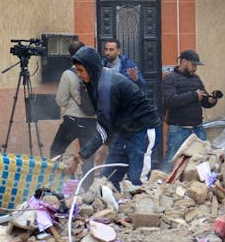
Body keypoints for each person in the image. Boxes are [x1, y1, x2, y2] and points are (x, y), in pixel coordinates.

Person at [64, 45, 160, 188]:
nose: (78, 74)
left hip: (143, 131)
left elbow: (104, 126)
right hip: (124, 133)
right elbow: (105, 119)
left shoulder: (107, 85)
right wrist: (105, 144)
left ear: (90, 68)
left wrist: (79, 157)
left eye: (80, 70)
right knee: (107, 180)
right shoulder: (94, 82)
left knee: (137, 181)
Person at [50, 40, 98, 178]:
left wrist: (73, 98)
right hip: (91, 121)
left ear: (71, 56)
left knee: (57, 149)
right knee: (87, 155)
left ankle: (60, 180)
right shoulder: (95, 72)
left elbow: (61, 100)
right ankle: (86, 187)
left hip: (72, 120)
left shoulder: (68, 74)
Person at [162, 49, 217, 170]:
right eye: (193, 65)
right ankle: (160, 184)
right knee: (172, 160)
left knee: (203, 159)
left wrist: (211, 100)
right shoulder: (170, 78)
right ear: (184, 62)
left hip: (197, 128)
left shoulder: (196, 79)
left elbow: (203, 100)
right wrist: (193, 95)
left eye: (196, 65)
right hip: (178, 129)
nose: (195, 68)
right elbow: (170, 100)